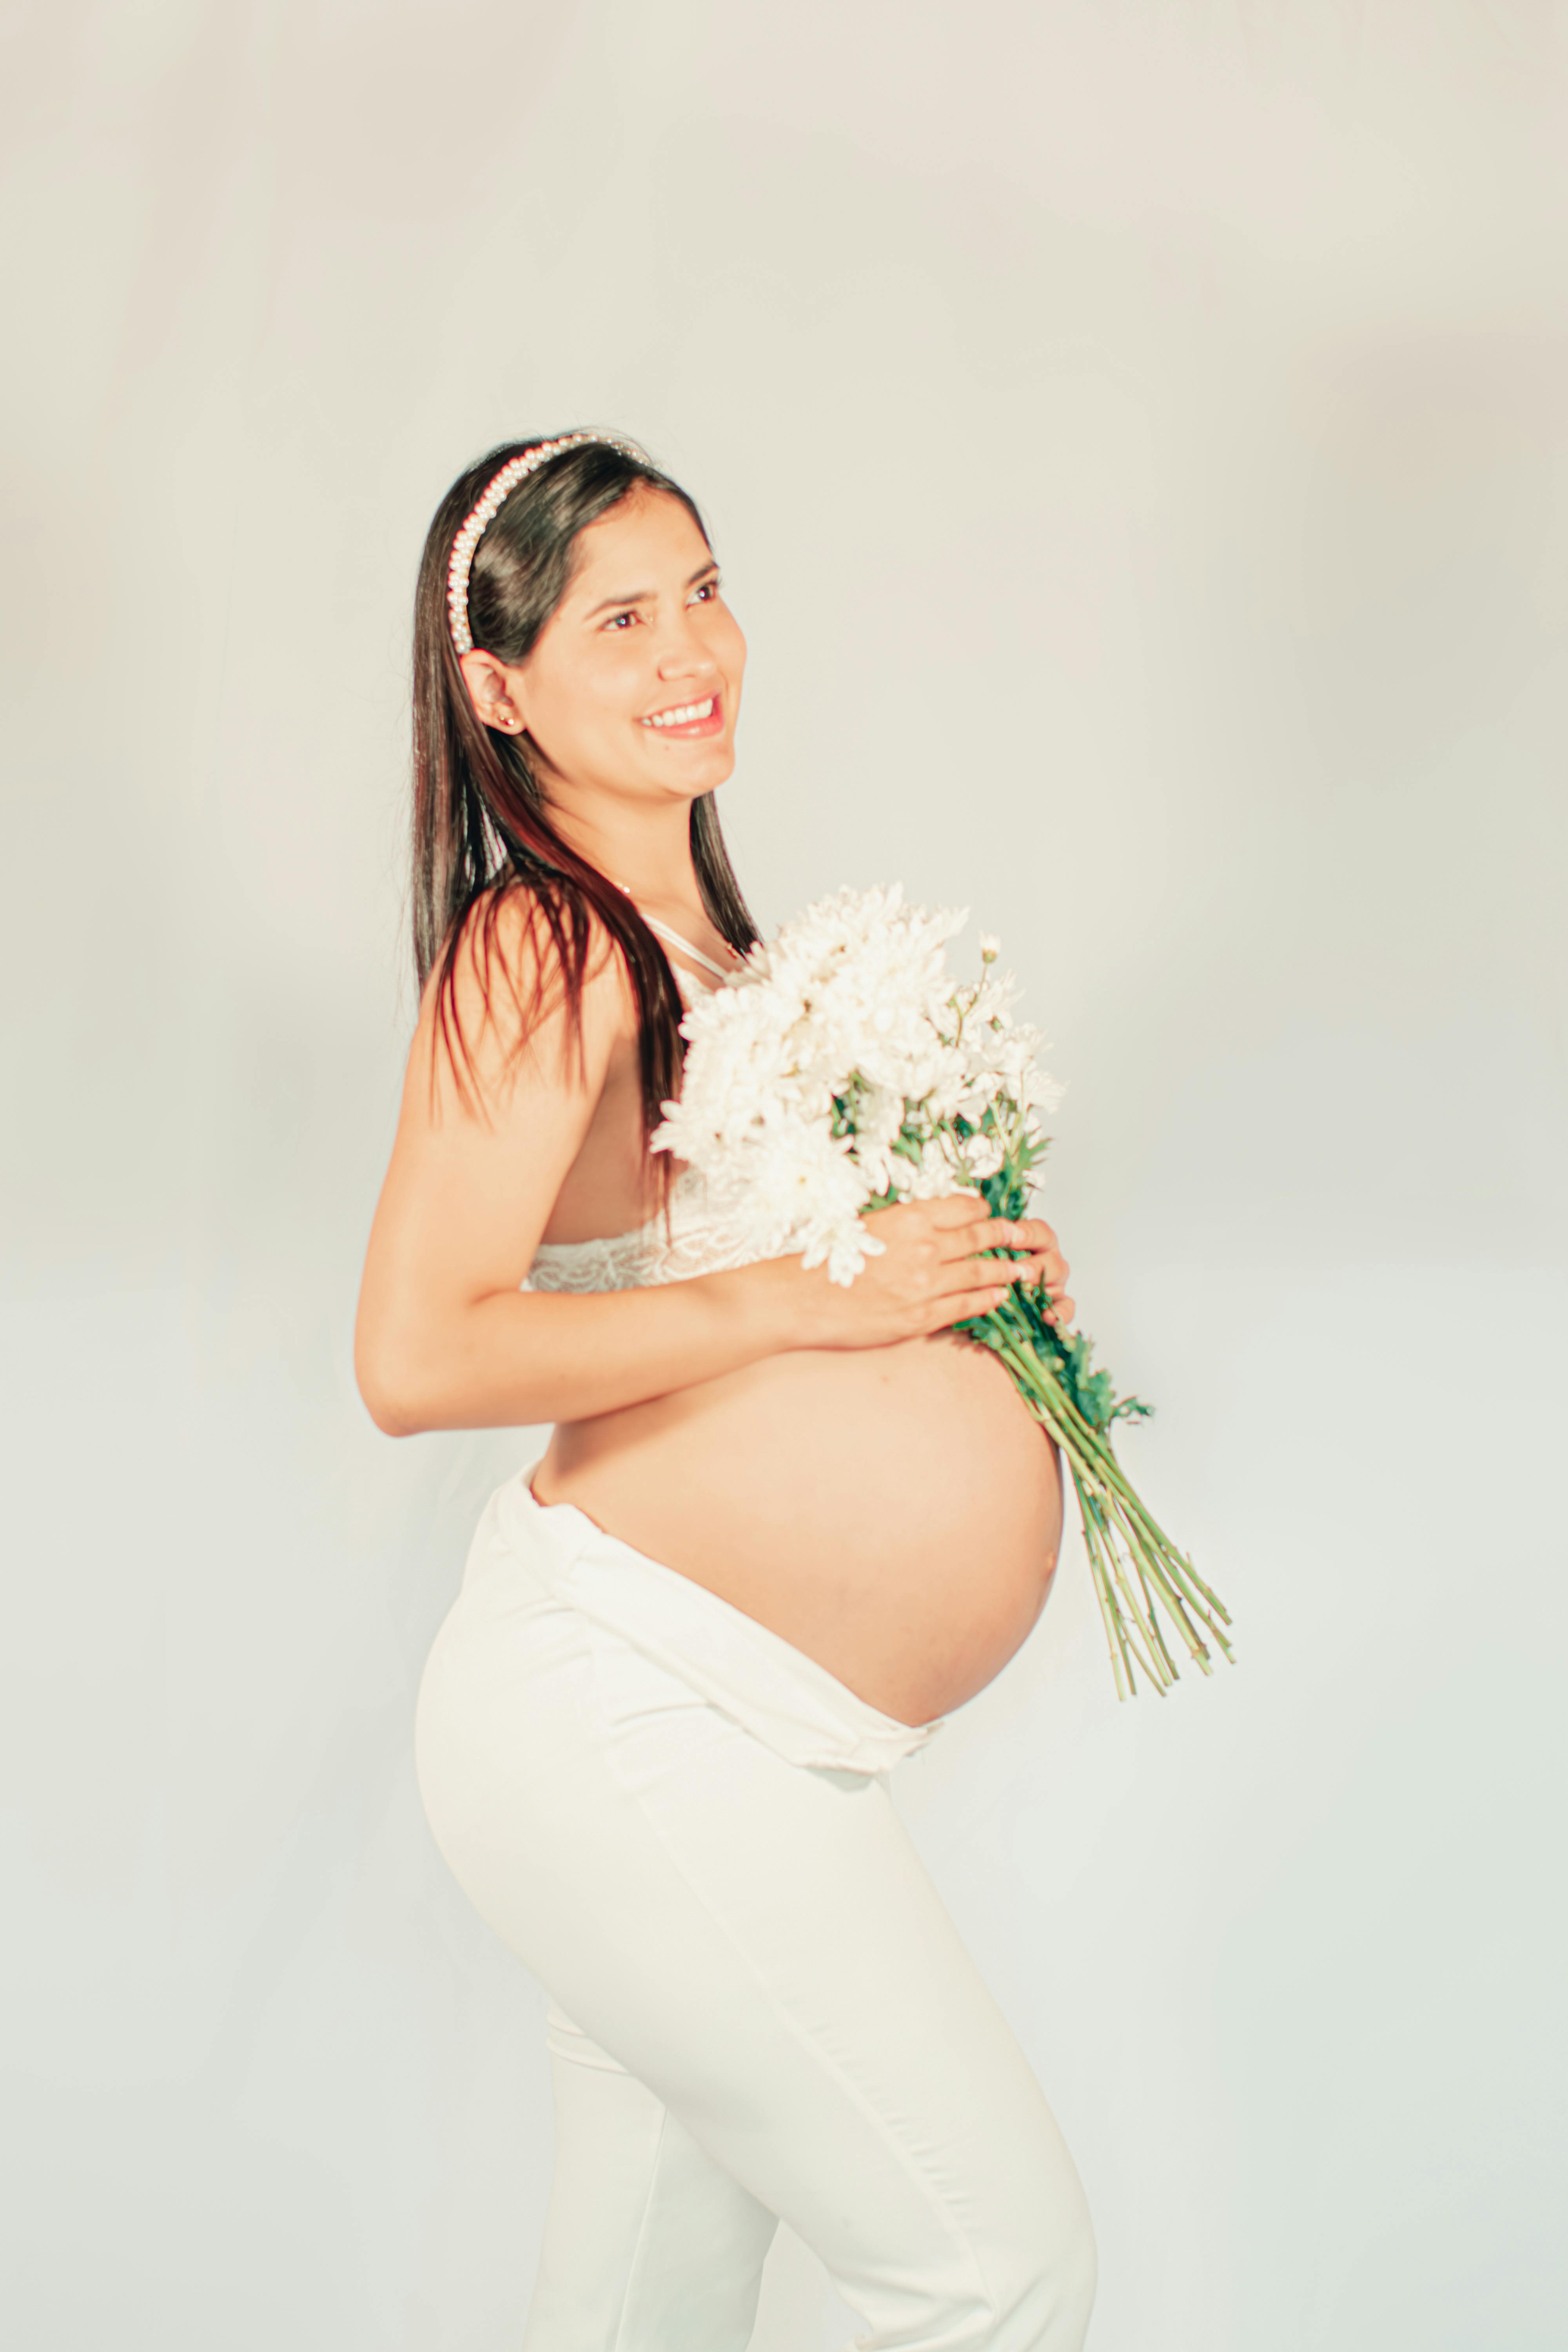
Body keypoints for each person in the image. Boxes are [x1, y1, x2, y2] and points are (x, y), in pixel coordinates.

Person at [355, 431, 1098, 2350]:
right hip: (636, 1712)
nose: (695, 646)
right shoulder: (546, 944)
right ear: (498, 689)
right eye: (620, 615)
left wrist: (964, 1291)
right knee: (989, 2266)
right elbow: (419, 1350)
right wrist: (804, 1300)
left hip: (716, 1726)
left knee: (644, 2314)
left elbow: (758, 1281)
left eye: (703, 586)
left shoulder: (711, 949)